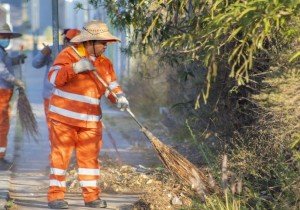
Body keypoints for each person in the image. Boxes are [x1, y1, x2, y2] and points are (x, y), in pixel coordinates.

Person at [46, 20, 129, 209]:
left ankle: (92, 198)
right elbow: (53, 78)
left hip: (91, 121)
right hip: (63, 120)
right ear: (89, 42)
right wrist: (75, 68)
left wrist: (120, 97)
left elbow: (111, 86)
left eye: (107, 42)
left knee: (89, 161)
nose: (106, 45)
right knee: (60, 158)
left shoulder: (105, 63)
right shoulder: (68, 55)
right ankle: (55, 198)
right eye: (102, 42)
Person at [32, 29, 80, 130]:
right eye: (73, 44)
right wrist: (43, 53)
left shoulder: (80, 54)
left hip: (70, 98)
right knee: (53, 128)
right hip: (51, 96)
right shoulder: (53, 50)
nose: (76, 47)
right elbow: (35, 64)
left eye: (78, 44)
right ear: (66, 41)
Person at [0, 23, 27, 169]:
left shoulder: (2, 51)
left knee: (3, 123)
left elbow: (6, 63)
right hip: (1, 92)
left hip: (4, 92)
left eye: (7, 36)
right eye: (3, 36)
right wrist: (15, 80)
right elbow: (2, 70)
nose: (6, 39)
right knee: (2, 124)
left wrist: (17, 59)